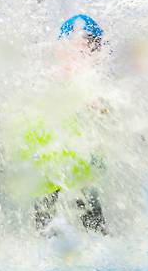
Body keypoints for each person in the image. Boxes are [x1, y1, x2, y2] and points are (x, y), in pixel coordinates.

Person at [8, 14, 109, 235]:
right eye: (81, 46)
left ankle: (54, 242)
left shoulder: (64, 75)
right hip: (53, 150)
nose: (85, 53)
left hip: (55, 150)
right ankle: (93, 238)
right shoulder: (70, 76)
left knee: (60, 205)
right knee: (72, 203)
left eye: (89, 47)